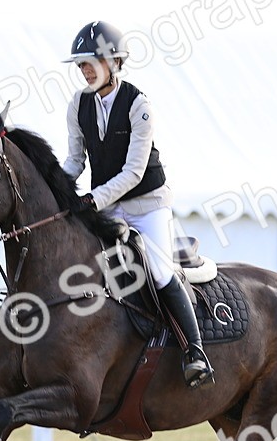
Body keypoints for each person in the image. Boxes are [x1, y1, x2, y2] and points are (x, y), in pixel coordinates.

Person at [61, 20, 214, 388]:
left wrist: (92, 200)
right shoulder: (78, 105)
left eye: (91, 63)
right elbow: (74, 161)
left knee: (160, 272)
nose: (84, 71)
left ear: (114, 63)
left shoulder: (138, 105)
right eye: (81, 65)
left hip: (147, 205)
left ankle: (195, 352)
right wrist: (57, 189)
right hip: (108, 206)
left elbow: (133, 172)